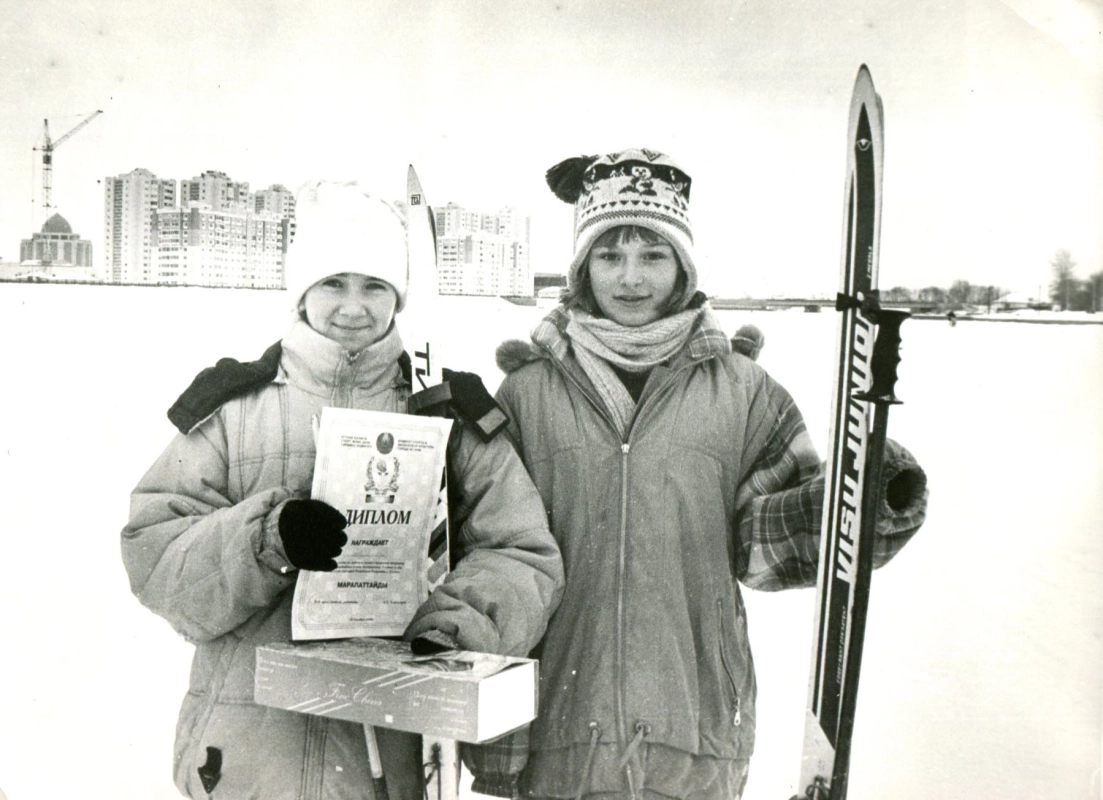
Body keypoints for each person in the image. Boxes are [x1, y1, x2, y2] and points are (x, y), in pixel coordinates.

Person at [466, 149, 928, 799]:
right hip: (555, 735)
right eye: (609, 255)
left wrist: (859, 498)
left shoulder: (742, 391)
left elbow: (766, 551)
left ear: (682, 264)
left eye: (652, 255)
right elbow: (493, 558)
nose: (630, 278)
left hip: (693, 731)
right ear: (581, 269)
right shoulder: (524, 395)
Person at [121, 180, 564, 800]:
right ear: (301, 289)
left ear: (399, 297)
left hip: (394, 748)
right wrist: (263, 541)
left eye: (375, 285)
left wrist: (457, 630)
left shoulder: (445, 412)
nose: (353, 306)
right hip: (250, 753)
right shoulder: (234, 410)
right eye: (334, 282)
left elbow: (521, 552)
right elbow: (157, 558)